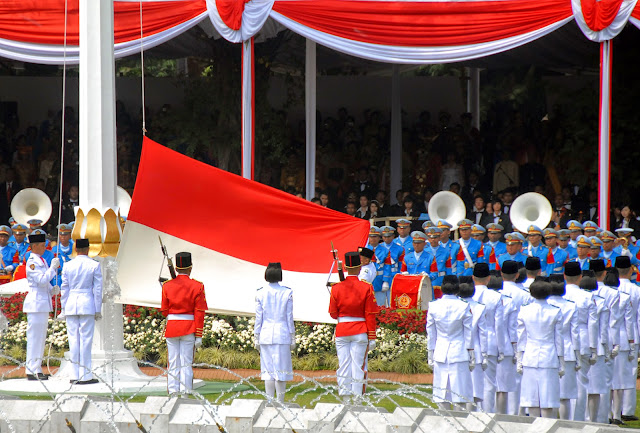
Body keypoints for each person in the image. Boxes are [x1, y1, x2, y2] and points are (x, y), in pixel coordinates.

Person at [328, 252, 378, 402]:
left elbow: (332, 313)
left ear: (345, 268)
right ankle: (357, 398)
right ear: (359, 267)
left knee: (343, 364)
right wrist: (372, 336)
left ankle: (345, 398)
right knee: (358, 366)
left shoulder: (336, 288)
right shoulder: (366, 287)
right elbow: (370, 314)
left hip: (343, 330)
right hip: (360, 330)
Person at [160, 252, 208, 395]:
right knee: (186, 362)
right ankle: (185, 390)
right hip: (189, 328)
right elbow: (199, 311)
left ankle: (173, 391)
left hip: (173, 327)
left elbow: (164, 310)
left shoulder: (167, 285)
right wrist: (199, 334)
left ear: (176, 268)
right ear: (190, 267)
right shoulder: (197, 286)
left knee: (173, 362)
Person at [516, 279, 563, 418]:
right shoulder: (555, 311)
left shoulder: (525, 310)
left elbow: (521, 338)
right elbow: (559, 339)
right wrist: (562, 362)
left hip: (530, 355)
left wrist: (519, 359)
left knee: (532, 399)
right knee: (547, 399)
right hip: (549, 356)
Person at [427, 275, 474, 410]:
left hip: (440, 350)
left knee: (442, 392)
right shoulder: (464, 306)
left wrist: (431, 353)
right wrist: (471, 353)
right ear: (457, 288)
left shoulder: (434, 305)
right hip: (459, 350)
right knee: (460, 393)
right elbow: (468, 332)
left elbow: (431, 333)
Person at [60, 238, 102, 385]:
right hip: (87, 302)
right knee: (86, 340)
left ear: (76, 249)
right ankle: (85, 375)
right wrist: (97, 309)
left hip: (72, 302)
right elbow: (97, 290)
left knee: (73, 340)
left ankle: (74, 374)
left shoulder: (67, 265)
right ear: (88, 249)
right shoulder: (94, 265)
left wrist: (63, 307)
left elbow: (64, 288)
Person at [254, 262, 295, 403]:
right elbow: (289, 317)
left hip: (265, 334)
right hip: (282, 333)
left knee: (268, 371)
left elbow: (259, 318)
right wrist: (292, 337)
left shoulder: (260, 292)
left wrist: (256, 336)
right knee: (281, 370)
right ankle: (280, 401)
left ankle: (270, 401)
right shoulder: (287, 292)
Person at [23, 232, 60, 380]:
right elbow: (41, 280)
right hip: (36, 303)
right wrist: (52, 268)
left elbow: (45, 284)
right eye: (42, 244)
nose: (45, 246)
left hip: (42, 302)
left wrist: (52, 290)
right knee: (34, 338)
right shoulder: (32, 262)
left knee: (40, 338)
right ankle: (31, 369)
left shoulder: (41, 260)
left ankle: (36, 368)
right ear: (35, 246)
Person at [472, 263, 504, 413]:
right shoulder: (496, 296)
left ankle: (473, 414)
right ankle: (488, 414)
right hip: (490, 340)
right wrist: (502, 348)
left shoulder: (466, 294)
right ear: (489, 278)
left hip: (471, 341)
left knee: (472, 382)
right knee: (489, 382)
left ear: (473, 277)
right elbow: (499, 325)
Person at [546, 274, 579, 420]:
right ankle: (566, 425)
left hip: (548, 351)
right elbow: (575, 333)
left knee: (549, 394)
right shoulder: (571, 306)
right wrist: (577, 355)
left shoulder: (545, 305)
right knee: (565, 395)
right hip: (567, 350)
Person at [614, 256, 640, 422]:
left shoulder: (611, 288)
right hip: (632, 335)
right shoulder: (636, 290)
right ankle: (627, 409)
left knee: (613, 373)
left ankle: (613, 409)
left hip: (613, 336)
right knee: (629, 373)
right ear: (631, 269)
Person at [458, 278, 488, 411]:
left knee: (459, 389)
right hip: (475, 350)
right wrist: (484, 353)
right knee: (474, 389)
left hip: (458, 350)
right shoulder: (480, 307)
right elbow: (483, 334)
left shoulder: (455, 306)